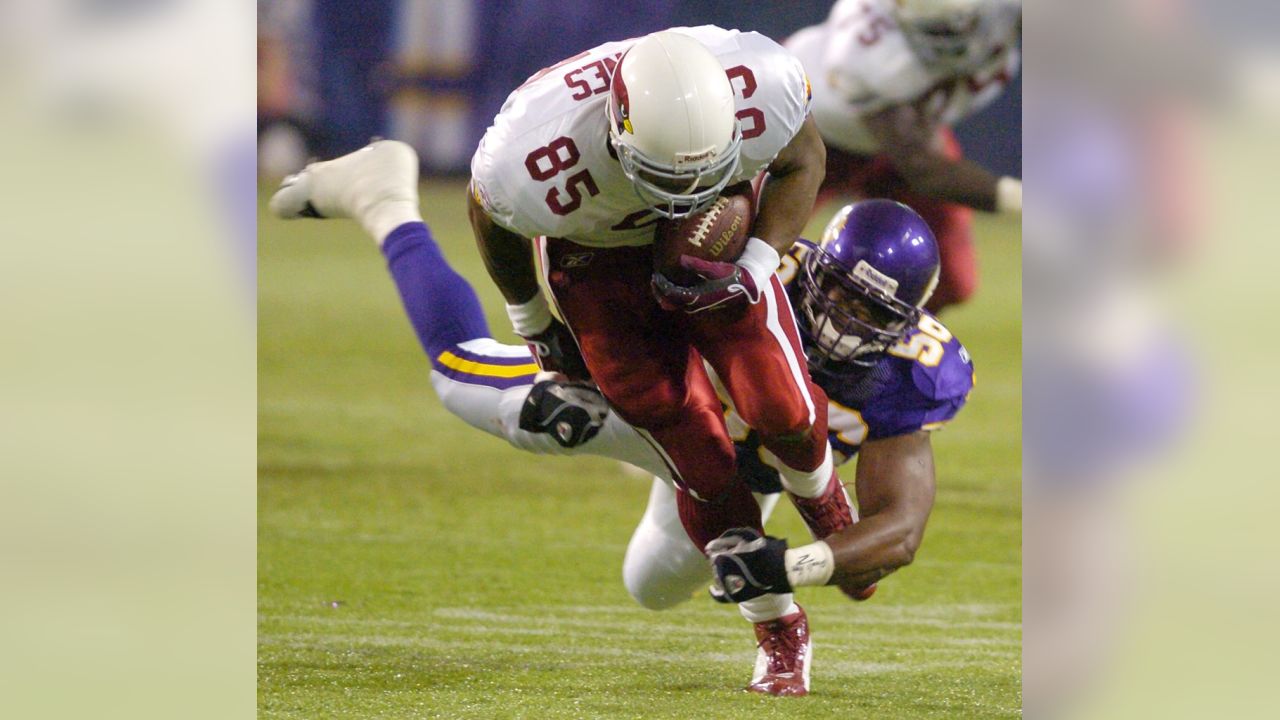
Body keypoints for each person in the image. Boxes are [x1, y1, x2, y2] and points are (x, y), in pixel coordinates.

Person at [271, 140, 974, 696]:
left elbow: (901, 531)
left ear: (909, 320)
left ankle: (771, 573)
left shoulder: (913, 373)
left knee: (653, 584)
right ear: (814, 266)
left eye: (871, 313)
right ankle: (385, 198)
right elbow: (637, 320)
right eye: (841, 298)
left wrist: (789, 563)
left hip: (744, 460)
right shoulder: (753, 270)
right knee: (459, 376)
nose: (847, 324)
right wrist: (581, 376)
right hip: (658, 403)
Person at [466, 26, 853, 689]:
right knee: (692, 446)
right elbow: (490, 215)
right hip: (597, 257)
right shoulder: (531, 154)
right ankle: (778, 625)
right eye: (666, 172)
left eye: (701, 166)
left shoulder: (763, 79)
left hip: (714, 227)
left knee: (778, 404)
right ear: (618, 131)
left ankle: (825, 502)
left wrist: (756, 267)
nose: (680, 189)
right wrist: (532, 320)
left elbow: (802, 161)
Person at [786, 0, 1023, 311]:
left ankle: (887, 351)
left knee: (951, 280)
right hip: (806, 133)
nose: (943, 40)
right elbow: (923, 170)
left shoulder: (1005, 11)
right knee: (753, 250)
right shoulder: (865, 54)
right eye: (934, 28)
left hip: (902, 136)